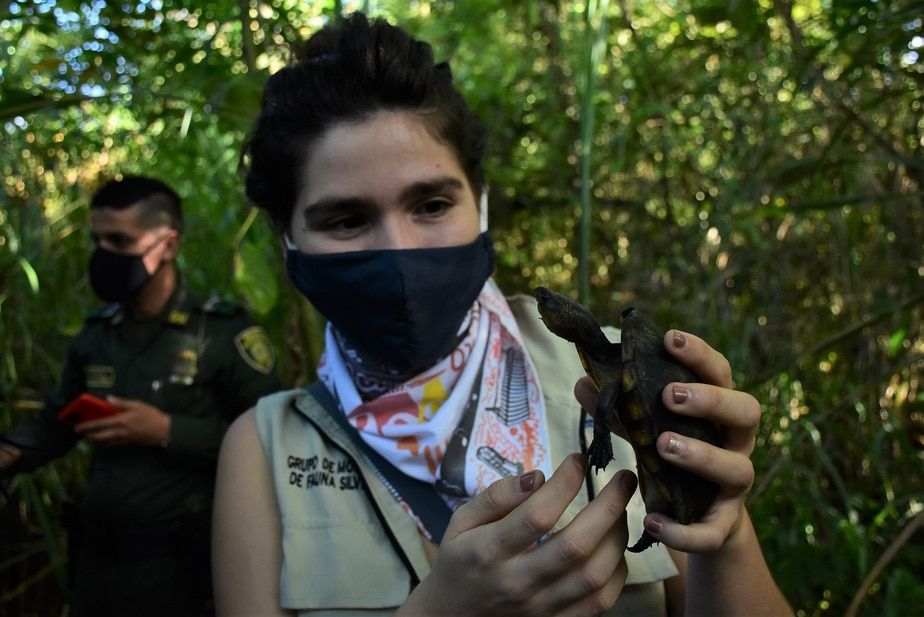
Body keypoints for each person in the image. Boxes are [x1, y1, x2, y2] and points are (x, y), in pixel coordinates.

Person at [212, 13, 792, 617]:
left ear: (480, 204)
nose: (402, 252)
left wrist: (728, 529)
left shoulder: (619, 378)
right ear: (286, 242)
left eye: (432, 204)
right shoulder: (265, 451)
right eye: (346, 220)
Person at [0, 175, 282, 617]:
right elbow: (58, 423)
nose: (104, 254)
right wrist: (10, 451)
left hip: (184, 569)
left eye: (120, 240)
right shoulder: (97, 335)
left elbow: (273, 440)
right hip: (96, 564)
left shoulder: (223, 334)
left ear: (167, 245)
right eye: (98, 240)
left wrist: (167, 431)